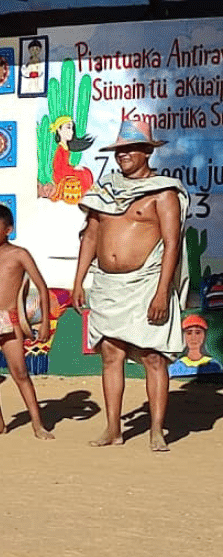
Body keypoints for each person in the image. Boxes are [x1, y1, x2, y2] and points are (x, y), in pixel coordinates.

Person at [72, 118, 189, 451]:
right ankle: (113, 428)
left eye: (129, 149)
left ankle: (156, 430)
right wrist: (79, 280)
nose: (122, 155)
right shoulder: (104, 190)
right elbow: (91, 235)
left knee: (154, 357)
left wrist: (163, 291)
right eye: (119, 149)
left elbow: (172, 245)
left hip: (147, 284)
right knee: (111, 354)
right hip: (108, 285)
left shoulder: (163, 193)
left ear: (146, 152)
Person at [0, 204, 53, 439]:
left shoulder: (20, 254)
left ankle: (37, 425)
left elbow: (41, 287)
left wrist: (45, 322)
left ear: (8, 230)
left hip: (10, 317)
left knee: (20, 372)